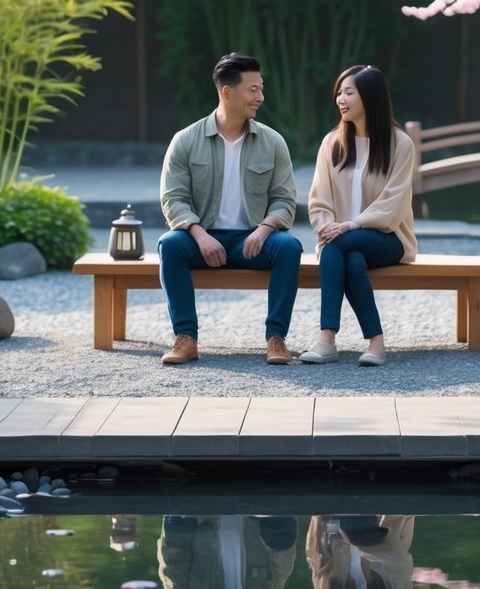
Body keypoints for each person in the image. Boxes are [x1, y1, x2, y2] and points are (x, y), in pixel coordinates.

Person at [158, 52, 303, 365]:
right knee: (170, 245)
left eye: (260, 89)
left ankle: (276, 338)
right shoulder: (185, 141)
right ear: (227, 92)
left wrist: (264, 230)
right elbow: (174, 198)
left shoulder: (273, 141)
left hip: (252, 241)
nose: (260, 97)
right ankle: (185, 338)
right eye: (253, 90)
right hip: (202, 238)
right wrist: (199, 234)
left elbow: (284, 199)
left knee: (289, 247)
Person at [300, 65, 416, 367]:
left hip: (387, 239)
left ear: (371, 97)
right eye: (339, 92)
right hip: (342, 243)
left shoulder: (400, 144)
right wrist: (326, 228)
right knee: (348, 256)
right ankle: (376, 343)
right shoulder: (332, 143)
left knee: (339, 245)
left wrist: (349, 225)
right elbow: (318, 198)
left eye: (349, 92)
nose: (341, 98)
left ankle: (326, 339)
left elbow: (394, 203)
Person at [158, 515, 298, 589]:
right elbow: (281, 563)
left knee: (179, 523)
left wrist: (184, 516)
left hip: (201, 497)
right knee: (281, 534)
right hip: (257, 497)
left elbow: (173, 559)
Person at [305, 515, 415, 589]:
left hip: (337, 522)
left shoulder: (327, 583)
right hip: (379, 531)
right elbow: (397, 564)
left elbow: (317, 556)